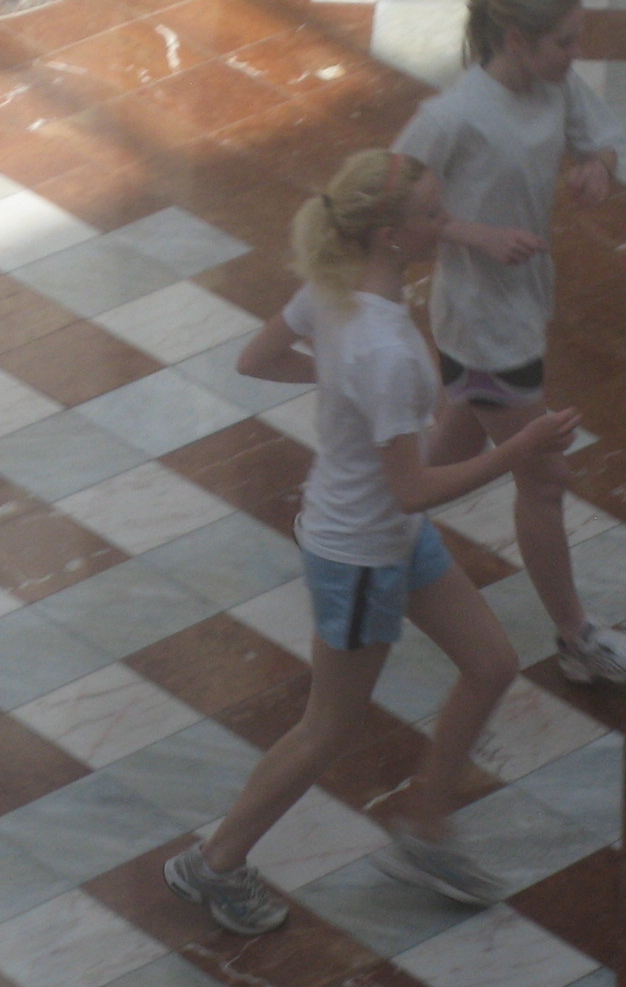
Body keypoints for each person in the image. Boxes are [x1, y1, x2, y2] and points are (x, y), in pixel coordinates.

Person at [164, 150, 582, 935]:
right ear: (391, 235)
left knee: (491, 664)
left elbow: (256, 359)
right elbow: (413, 487)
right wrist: (516, 452)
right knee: (328, 728)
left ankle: (426, 825)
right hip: (360, 553)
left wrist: (334, 375)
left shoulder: (333, 291)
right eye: (432, 213)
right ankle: (214, 863)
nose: (444, 220)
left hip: (384, 534)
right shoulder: (383, 350)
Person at [393, 0, 626, 687]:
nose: (576, 54)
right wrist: (475, 234)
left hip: (520, 304)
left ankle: (373, 527)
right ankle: (578, 639)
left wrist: (597, 168)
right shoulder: (453, 116)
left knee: (448, 445)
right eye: (564, 42)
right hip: (481, 324)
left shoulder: (555, 86)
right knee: (543, 478)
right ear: (516, 39)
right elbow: (390, 202)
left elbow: (597, 136)